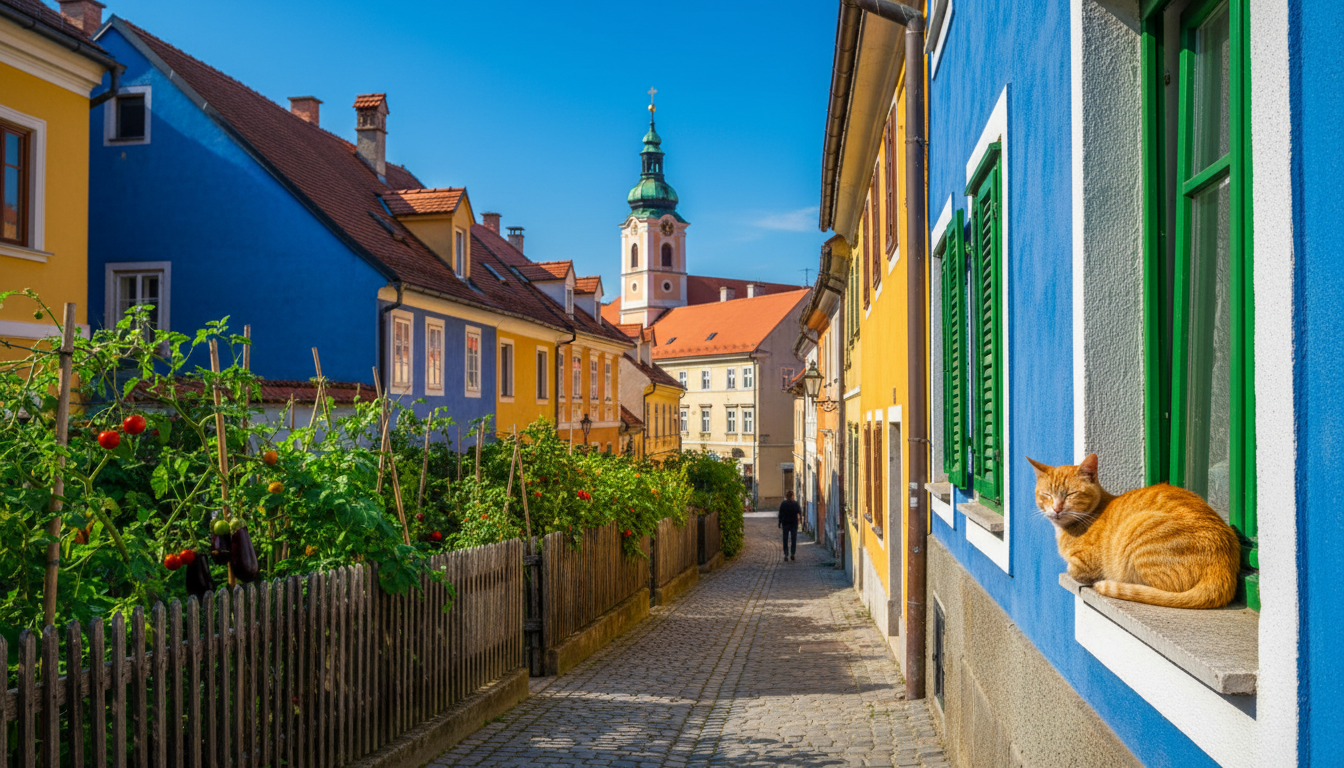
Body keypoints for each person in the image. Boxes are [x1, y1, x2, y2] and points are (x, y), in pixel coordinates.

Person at [778, 490, 801, 561]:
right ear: (792, 496)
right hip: (794, 523)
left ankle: (786, 554)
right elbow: (800, 512)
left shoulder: (783, 503)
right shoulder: (795, 503)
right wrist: (801, 522)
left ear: (786, 496)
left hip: (785, 523)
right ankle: (792, 554)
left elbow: (780, 514)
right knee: (793, 539)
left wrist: (779, 522)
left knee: (785, 539)